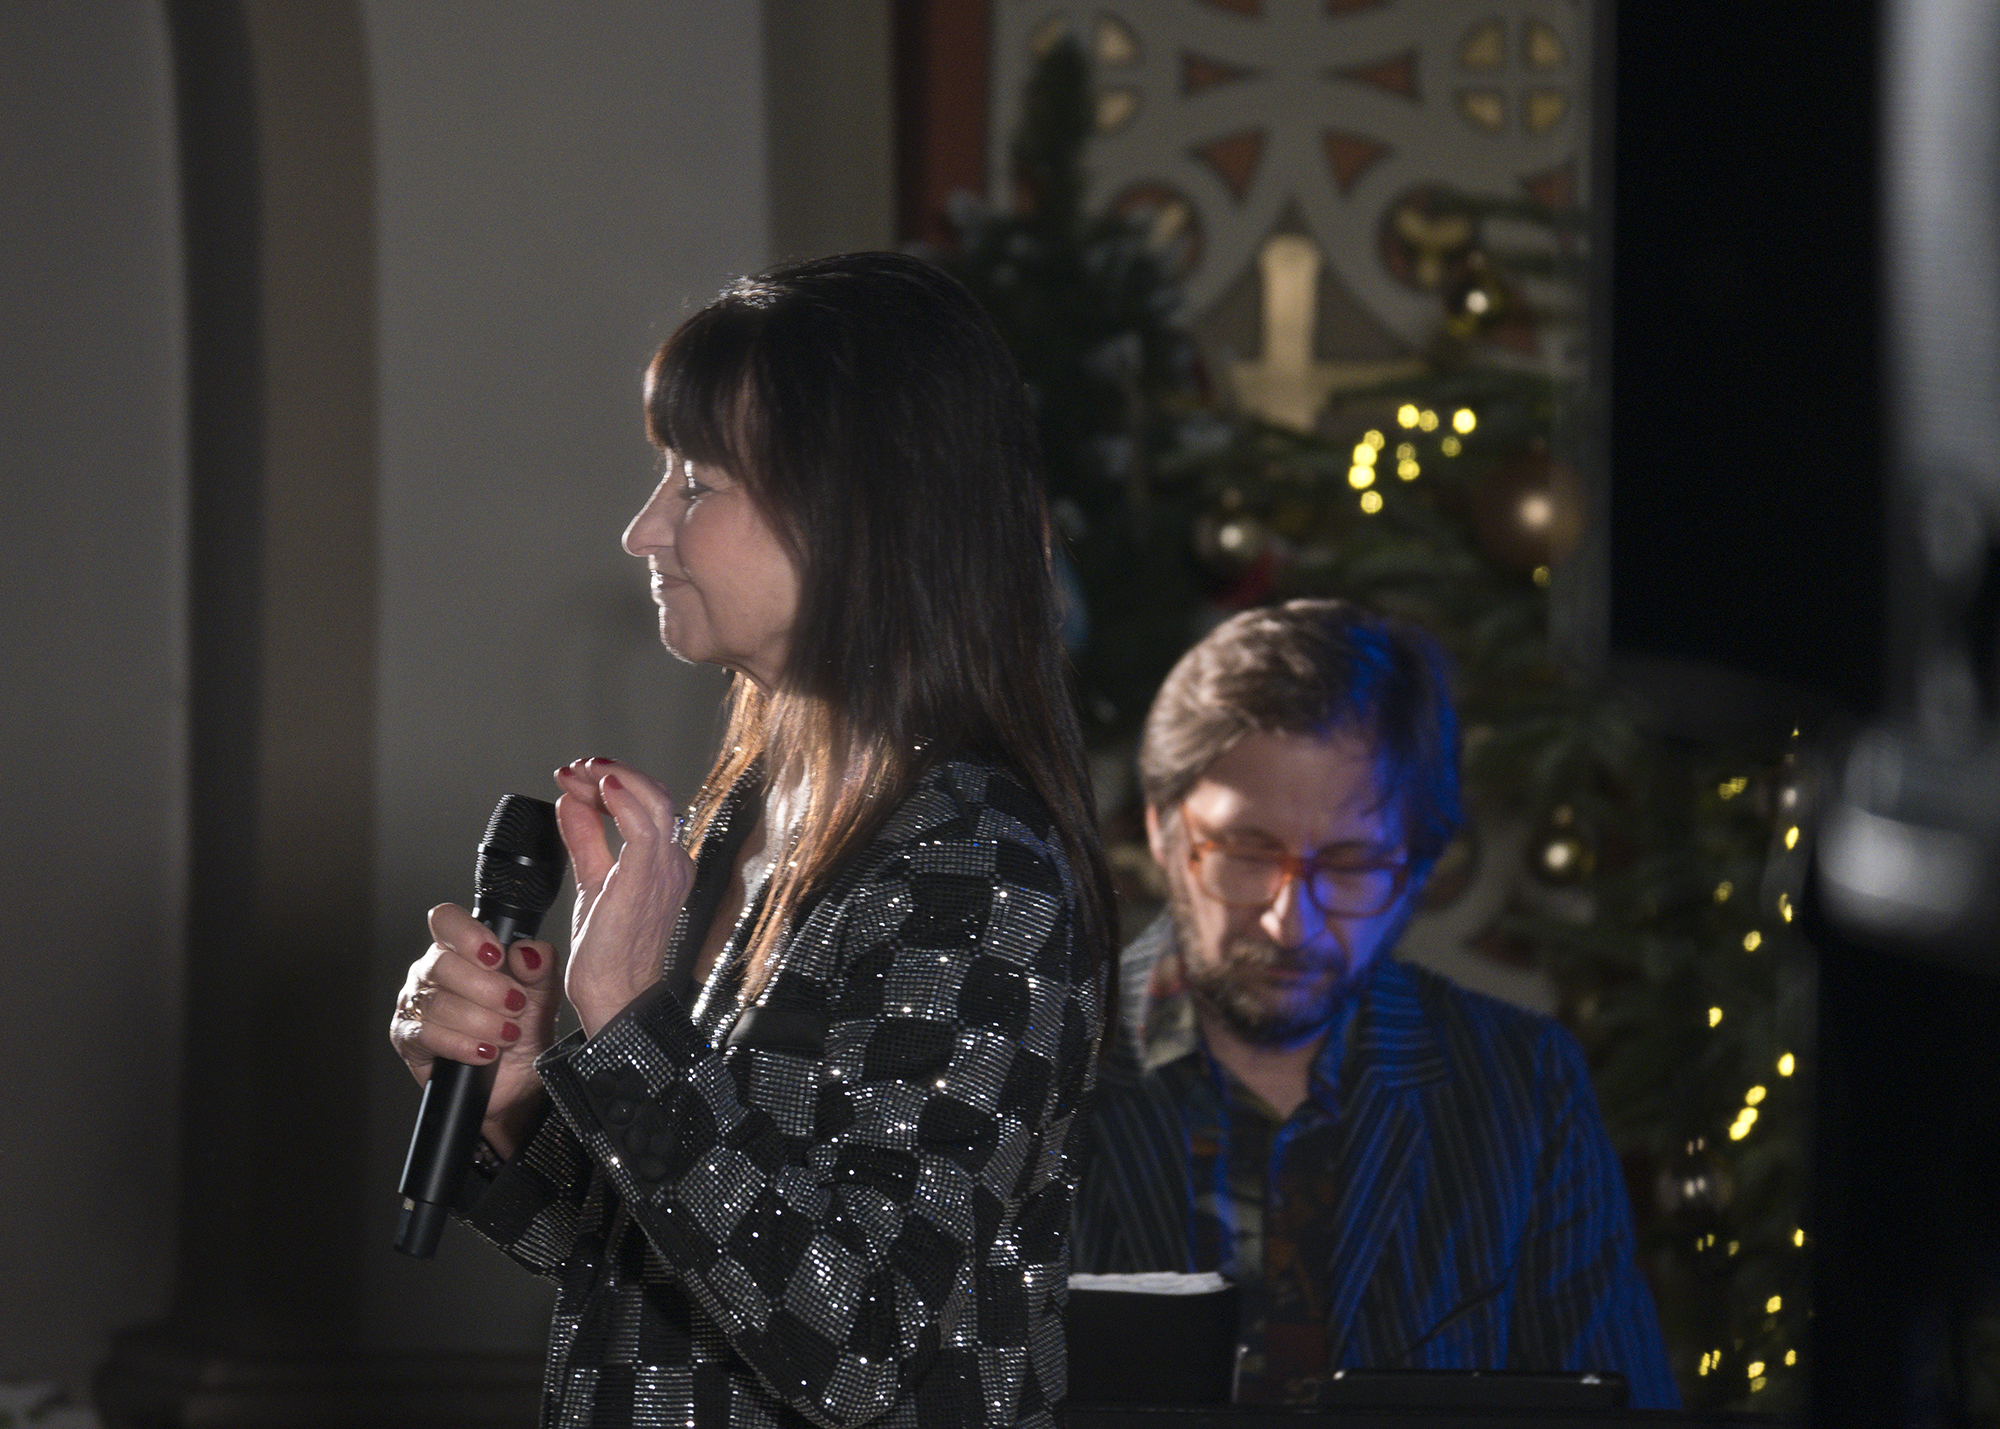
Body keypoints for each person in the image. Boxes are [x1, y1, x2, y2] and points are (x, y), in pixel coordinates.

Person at [389, 252, 1114, 1429]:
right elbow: (668, 1276)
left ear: (860, 515)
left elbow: (859, 1340)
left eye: (696, 483)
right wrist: (517, 1098)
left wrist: (627, 1018)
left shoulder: (976, 867)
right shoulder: (752, 812)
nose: (642, 530)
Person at [1071, 599, 1678, 1408]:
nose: (1291, 922)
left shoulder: (1525, 1087)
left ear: (1420, 866)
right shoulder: (1039, 1065)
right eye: (1247, 851)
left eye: (1352, 866)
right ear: (1162, 831)